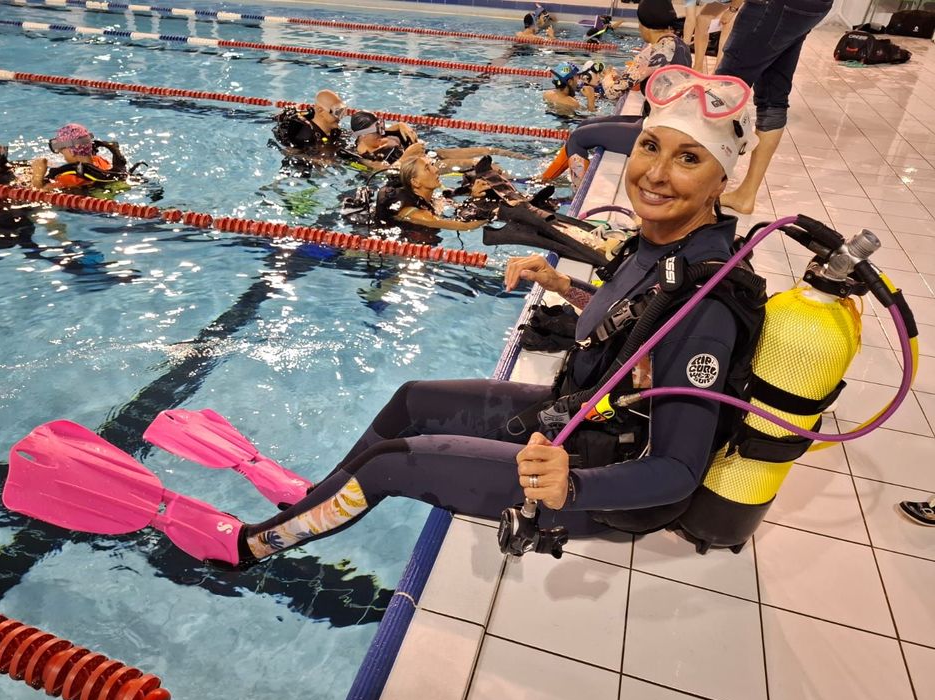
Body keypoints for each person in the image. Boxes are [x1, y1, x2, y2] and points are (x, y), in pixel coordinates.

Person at [218, 66, 760, 565]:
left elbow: (678, 471)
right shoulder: (660, 245)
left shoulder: (705, 303)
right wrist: (564, 286)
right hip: (577, 417)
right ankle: (321, 498)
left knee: (389, 464)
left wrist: (573, 487)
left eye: (689, 158)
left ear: (724, 179)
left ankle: (252, 546)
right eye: (650, 146)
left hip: (597, 480)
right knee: (413, 398)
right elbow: (628, 325)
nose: (656, 174)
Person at [543, 0, 692, 188]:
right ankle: (549, 178)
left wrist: (608, 77)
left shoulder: (657, 52)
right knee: (584, 124)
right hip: (668, 123)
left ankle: (577, 191)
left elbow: (612, 92)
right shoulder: (677, 43)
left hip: (661, 134)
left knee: (578, 138)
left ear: (645, 24)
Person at [716, 0, 830, 214]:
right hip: (814, 7)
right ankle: (746, 194)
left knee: (722, 91)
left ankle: (696, 189)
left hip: (774, 5)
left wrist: (730, 6)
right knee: (773, 96)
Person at [349, 113, 528, 171]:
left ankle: (528, 159)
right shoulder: (364, 156)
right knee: (479, 164)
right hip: (424, 168)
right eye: (377, 130)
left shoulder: (377, 136)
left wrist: (402, 125)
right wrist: (411, 153)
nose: (382, 132)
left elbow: (396, 127)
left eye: (382, 127)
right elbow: (389, 170)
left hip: (430, 154)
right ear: (363, 135)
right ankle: (528, 180)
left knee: (489, 149)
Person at [373, 151, 491, 231]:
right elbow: (465, 227)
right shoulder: (415, 214)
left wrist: (474, 196)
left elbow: (458, 209)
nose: (435, 170)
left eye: (432, 165)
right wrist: (492, 215)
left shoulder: (433, 199)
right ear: (415, 182)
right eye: (427, 168)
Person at [30, 123, 127, 192]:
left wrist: (37, 176)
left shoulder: (68, 179)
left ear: (71, 151)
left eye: (61, 148)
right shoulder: (102, 162)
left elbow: (39, 194)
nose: (59, 151)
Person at [272, 89, 347, 154]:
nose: (341, 117)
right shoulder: (305, 136)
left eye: (342, 111)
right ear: (320, 111)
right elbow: (290, 153)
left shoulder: (334, 131)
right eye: (337, 112)